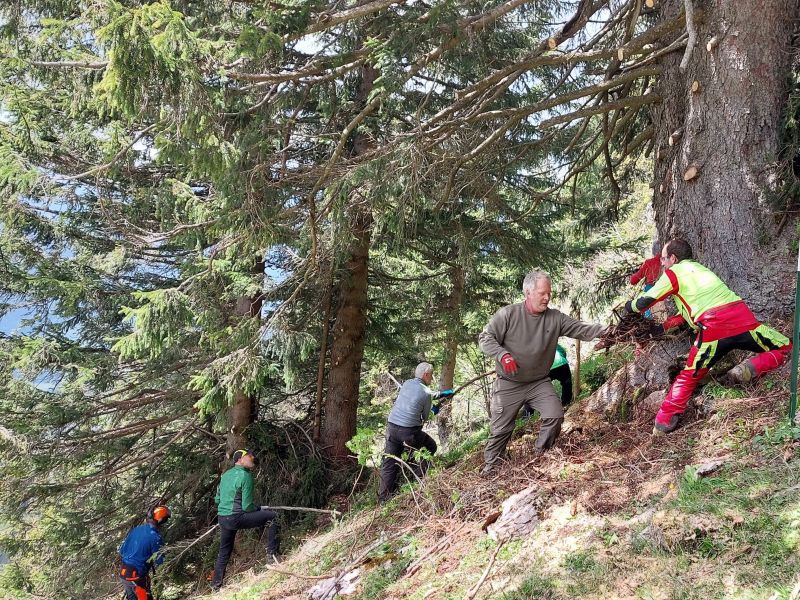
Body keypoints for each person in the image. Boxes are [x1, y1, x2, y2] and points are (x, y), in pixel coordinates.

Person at [625, 238, 792, 434]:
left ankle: (664, 422)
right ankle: (750, 368)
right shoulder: (701, 270)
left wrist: (629, 307)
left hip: (714, 329)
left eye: (663, 258)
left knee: (690, 375)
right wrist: (661, 329)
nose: (662, 263)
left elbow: (646, 300)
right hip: (742, 319)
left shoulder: (674, 273)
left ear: (673, 258)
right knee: (786, 347)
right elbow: (684, 316)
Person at [478, 271, 607, 474]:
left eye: (549, 293)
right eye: (542, 293)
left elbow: (581, 328)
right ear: (528, 293)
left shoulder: (554, 318)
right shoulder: (508, 315)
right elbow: (485, 338)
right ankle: (492, 468)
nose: (547, 298)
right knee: (501, 430)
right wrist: (502, 355)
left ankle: (540, 456)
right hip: (509, 383)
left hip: (538, 382)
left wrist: (609, 331)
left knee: (555, 415)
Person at [377, 362, 455, 503]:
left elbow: (422, 394)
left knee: (389, 462)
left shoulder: (407, 383)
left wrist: (440, 394)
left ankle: (384, 499)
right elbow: (425, 417)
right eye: (431, 375)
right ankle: (419, 483)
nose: (431, 378)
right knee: (430, 447)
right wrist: (434, 410)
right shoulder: (426, 392)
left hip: (392, 428)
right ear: (426, 375)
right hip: (408, 432)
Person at [211, 449, 280, 590]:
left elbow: (217, 499)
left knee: (224, 552)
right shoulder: (245, 476)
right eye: (249, 456)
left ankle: (215, 585)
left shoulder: (225, 475)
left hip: (223, 518)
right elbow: (247, 506)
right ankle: (272, 556)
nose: (252, 457)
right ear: (239, 460)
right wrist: (258, 508)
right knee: (273, 517)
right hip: (237, 517)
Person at [118, 505, 170, 600]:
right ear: (161, 520)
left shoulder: (136, 530)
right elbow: (160, 561)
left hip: (124, 573)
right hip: (136, 577)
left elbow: (122, 550)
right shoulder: (155, 537)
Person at [521, 343, 573, 418]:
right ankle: (566, 404)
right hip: (561, 363)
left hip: (544, 368)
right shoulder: (550, 340)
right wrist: (562, 358)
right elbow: (562, 351)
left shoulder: (529, 345)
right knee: (566, 383)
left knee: (534, 391)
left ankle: (527, 417)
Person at [630, 241, 662, 319]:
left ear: (653, 251)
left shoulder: (649, 263)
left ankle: (649, 319)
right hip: (666, 289)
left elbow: (633, 281)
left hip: (650, 290)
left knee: (645, 308)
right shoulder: (669, 261)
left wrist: (634, 274)